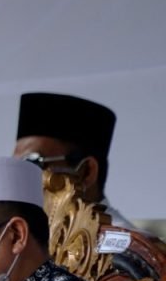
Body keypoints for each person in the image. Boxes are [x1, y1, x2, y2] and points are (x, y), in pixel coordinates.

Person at [14, 91, 135, 227]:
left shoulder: (125, 245)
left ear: (86, 172)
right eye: (15, 167)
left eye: (31, 164)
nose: (19, 180)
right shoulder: (28, 235)